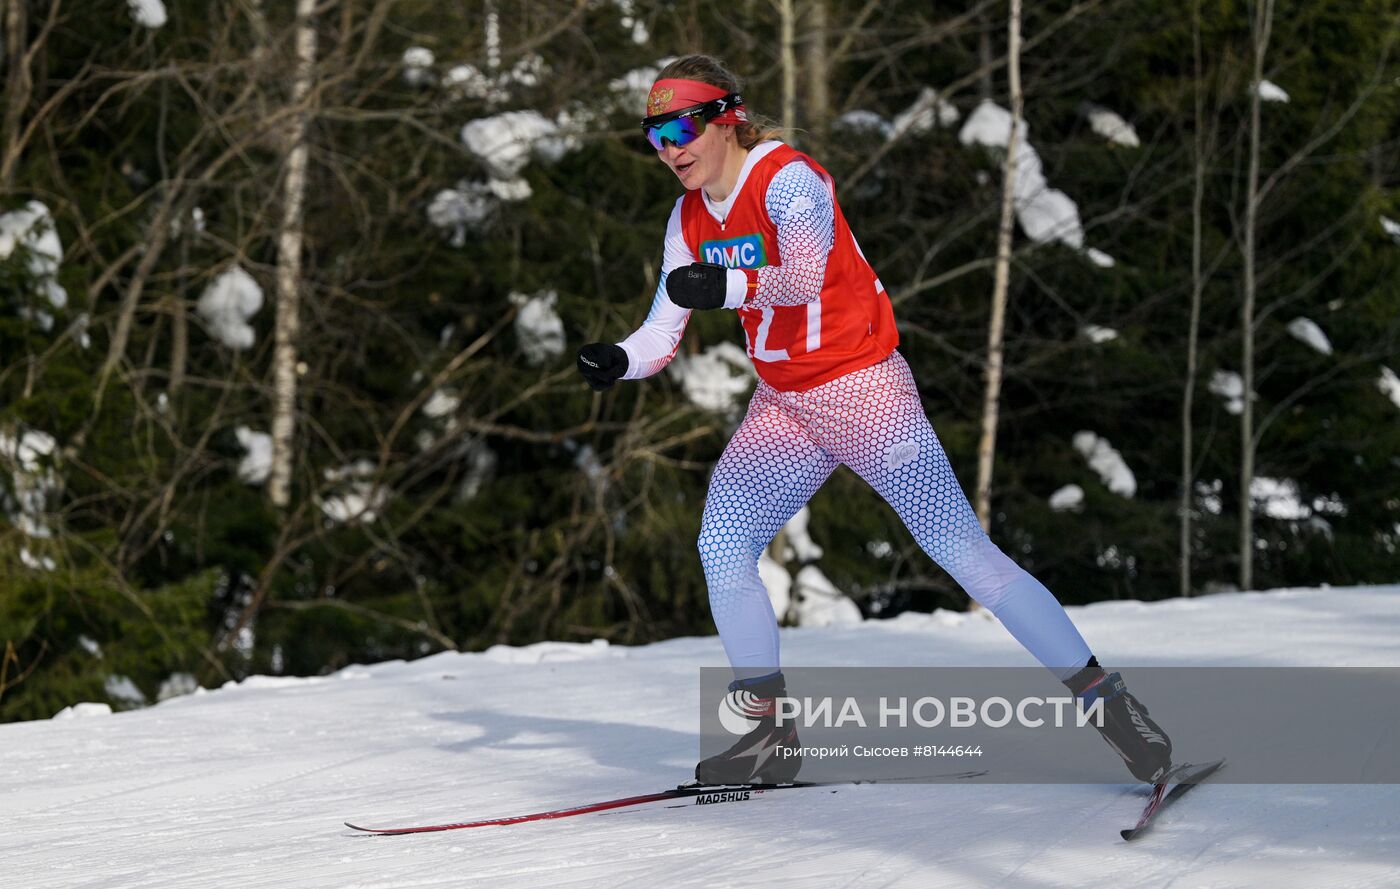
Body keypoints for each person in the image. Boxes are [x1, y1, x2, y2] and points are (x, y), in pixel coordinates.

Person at [576, 54, 1172, 787]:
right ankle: (768, 737)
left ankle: (1116, 711)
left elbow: (801, 272)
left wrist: (725, 282)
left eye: (680, 126)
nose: (669, 148)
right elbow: (661, 333)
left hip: (864, 389)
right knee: (724, 544)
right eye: (653, 134)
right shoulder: (688, 218)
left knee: (961, 550)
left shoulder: (790, 178)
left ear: (726, 117)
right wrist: (618, 358)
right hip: (785, 405)